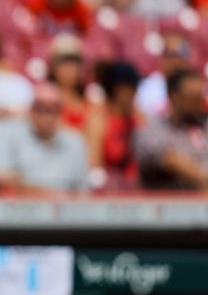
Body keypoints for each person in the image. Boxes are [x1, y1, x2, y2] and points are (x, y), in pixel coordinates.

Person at [0, 82, 89, 191]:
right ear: (30, 110)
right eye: (40, 108)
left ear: (60, 113)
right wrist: (51, 195)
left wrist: (20, 183)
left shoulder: (75, 142)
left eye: (52, 109)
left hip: (63, 206)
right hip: (15, 206)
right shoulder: (4, 131)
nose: (46, 116)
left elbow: (81, 190)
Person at [134, 68, 208, 190]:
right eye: (192, 97)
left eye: (200, 97)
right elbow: (169, 160)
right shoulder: (154, 127)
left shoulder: (204, 125)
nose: (198, 103)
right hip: (167, 203)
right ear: (174, 96)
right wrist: (203, 177)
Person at [85, 61, 143, 189]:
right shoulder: (99, 118)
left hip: (137, 187)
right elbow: (93, 164)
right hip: (109, 189)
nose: (135, 93)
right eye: (132, 88)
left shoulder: (138, 118)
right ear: (118, 90)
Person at [135, 32, 193, 119]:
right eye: (173, 55)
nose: (177, 61)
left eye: (182, 55)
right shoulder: (146, 89)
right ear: (162, 57)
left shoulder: (197, 88)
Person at [47, 33, 89, 131]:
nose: (69, 69)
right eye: (64, 62)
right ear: (53, 67)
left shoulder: (89, 102)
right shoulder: (46, 99)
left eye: (74, 62)